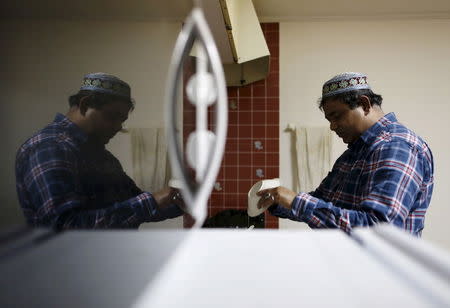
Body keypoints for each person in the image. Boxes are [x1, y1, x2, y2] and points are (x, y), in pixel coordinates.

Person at [257, 72, 434, 236]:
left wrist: (297, 201)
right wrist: (278, 202)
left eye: (337, 116)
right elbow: (324, 201)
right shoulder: (354, 152)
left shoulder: (396, 147)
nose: (332, 127)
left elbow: (380, 229)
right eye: (329, 120)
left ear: (364, 105)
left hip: (380, 269)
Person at [15, 72, 184, 230]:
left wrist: (186, 201)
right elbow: (65, 227)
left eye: (122, 120)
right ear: (85, 105)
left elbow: (136, 204)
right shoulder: (50, 147)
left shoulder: (102, 156)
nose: (118, 127)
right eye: (111, 117)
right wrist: (151, 202)